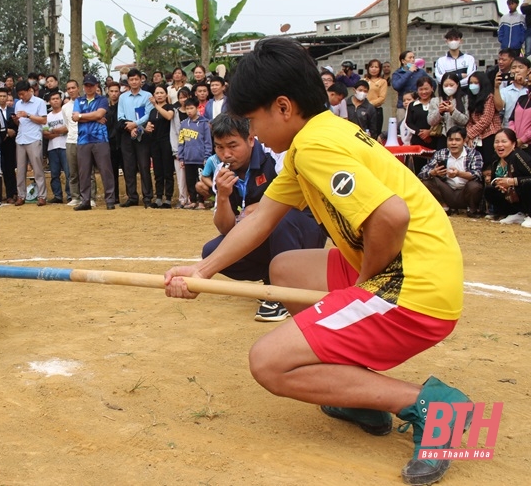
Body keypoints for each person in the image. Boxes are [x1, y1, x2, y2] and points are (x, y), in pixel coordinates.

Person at [164, 37, 472, 486]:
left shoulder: (314, 147)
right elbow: (261, 218)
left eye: (252, 121)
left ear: (283, 108)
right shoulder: (317, 137)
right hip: (421, 265)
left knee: (268, 362)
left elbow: (391, 215)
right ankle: (360, 398)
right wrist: (202, 271)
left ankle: (433, 406)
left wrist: (364, 286)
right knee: (286, 268)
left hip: (414, 287)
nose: (252, 133)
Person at [201, 113, 326, 321]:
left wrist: (262, 207)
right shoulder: (222, 171)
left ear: (251, 139)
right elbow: (226, 228)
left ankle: (285, 293)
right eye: (219, 147)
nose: (226, 154)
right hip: (266, 233)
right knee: (211, 251)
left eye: (233, 145)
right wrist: (222, 196)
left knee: (280, 218)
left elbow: (303, 194)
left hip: (305, 230)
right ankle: (272, 278)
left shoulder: (275, 155)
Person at [418, 127, 484, 217]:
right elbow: (421, 173)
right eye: (450, 140)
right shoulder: (441, 154)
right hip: (447, 191)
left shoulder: (473, 154)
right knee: (426, 181)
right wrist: (433, 172)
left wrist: (459, 174)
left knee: (475, 186)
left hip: (465, 192)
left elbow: (477, 175)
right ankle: (444, 207)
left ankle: (472, 209)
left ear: (464, 141)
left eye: (457, 140)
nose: (453, 143)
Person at [72, 74, 115, 210]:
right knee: (84, 172)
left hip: (100, 139)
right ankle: (85, 201)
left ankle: (110, 200)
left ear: (97, 86)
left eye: (91, 85)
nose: (89, 88)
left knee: (105, 170)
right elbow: (74, 117)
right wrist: (93, 117)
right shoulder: (79, 100)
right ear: (83, 86)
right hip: (83, 139)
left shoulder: (102, 99)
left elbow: (99, 114)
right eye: (86, 85)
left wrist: (82, 116)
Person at [117, 68, 155, 207]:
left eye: (136, 79)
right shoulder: (123, 97)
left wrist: (136, 125)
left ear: (141, 80)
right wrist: (130, 128)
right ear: (128, 81)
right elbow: (120, 116)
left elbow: (148, 114)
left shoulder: (147, 95)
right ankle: (132, 197)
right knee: (129, 167)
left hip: (143, 134)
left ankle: (147, 197)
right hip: (127, 135)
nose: (134, 82)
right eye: (131, 79)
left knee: (144, 166)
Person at [484, 128, 531, 227]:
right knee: (490, 190)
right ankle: (518, 214)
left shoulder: (518, 156)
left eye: (504, 141)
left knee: (527, 184)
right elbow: (494, 180)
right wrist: (499, 184)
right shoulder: (495, 160)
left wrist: (512, 181)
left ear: (513, 144)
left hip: (525, 191)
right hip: (514, 196)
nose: (500, 145)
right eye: (497, 142)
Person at [12, 80, 48, 206]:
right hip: (21, 137)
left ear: (29, 91)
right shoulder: (18, 104)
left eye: (23, 94)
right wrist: (16, 119)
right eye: (19, 95)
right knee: (20, 170)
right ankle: (21, 196)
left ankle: (42, 196)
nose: (21, 97)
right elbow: (19, 122)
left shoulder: (39, 102)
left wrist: (27, 115)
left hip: (34, 138)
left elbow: (43, 120)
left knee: (37, 168)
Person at [465, 71, 502, 178]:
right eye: (471, 83)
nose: (473, 86)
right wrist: (469, 134)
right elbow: (469, 120)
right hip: (476, 138)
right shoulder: (470, 98)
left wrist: (469, 135)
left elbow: (485, 120)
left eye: (476, 83)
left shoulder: (489, 97)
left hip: (489, 135)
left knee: (489, 166)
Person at [177, 98, 212, 209]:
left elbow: (208, 142)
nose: (189, 111)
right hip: (188, 158)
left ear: (197, 108)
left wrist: (206, 156)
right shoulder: (183, 124)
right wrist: (181, 157)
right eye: (187, 109)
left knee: (200, 180)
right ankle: (193, 201)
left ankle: (201, 202)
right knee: (190, 181)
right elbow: (181, 142)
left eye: (191, 108)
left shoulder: (204, 124)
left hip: (201, 159)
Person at [144, 85, 175, 208]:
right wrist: (147, 128)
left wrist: (155, 105)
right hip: (154, 142)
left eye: (162, 93)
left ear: (166, 95)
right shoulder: (152, 111)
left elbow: (168, 116)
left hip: (166, 141)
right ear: (154, 95)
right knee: (157, 171)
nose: (159, 95)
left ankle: (168, 198)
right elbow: (150, 124)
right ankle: (158, 197)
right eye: (157, 93)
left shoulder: (170, 107)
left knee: (168, 170)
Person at [428, 72, 469, 150]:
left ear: (457, 84)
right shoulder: (435, 100)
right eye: (446, 85)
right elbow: (430, 121)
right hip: (442, 136)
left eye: (451, 85)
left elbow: (465, 120)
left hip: (459, 137)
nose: (448, 88)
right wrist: (439, 112)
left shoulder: (464, 99)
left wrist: (452, 111)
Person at [42, 91, 70, 204]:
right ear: (49, 101)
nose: (55, 100)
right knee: (54, 174)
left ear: (61, 100)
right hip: (52, 148)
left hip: (65, 146)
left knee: (69, 173)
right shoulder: (47, 116)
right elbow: (45, 133)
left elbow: (67, 128)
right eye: (53, 99)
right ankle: (57, 195)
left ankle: (70, 195)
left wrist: (53, 131)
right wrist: (59, 132)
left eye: (57, 98)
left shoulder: (65, 113)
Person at [405, 76, 437, 172]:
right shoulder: (412, 105)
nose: (423, 92)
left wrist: (430, 132)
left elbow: (441, 121)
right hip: (417, 141)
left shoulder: (437, 103)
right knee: (418, 169)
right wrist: (420, 133)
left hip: (434, 140)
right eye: (421, 89)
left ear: (432, 88)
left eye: (426, 89)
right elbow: (408, 122)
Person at [392, 50, 431, 122]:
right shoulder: (397, 73)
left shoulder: (421, 72)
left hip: (419, 104)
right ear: (403, 61)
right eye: (410, 58)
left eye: (413, 57)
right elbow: (396, 86)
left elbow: (432, 84)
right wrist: (409, 72)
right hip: (403, 106)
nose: (412, 60)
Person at [496, 56, 530, 127]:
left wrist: (524, 83)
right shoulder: (505, 91)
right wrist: (496, 87)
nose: (516, 70)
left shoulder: (529, 89)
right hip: (510, 130)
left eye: (520, 67)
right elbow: (499, 107)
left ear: (528, 71)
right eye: (513, 68)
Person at [364, 59, 387, 136]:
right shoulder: (363, 80)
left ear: (380, 69)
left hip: (376, 110)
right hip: (362, 110)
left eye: (376, 67)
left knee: (375, 133)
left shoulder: (382, 81)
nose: (374, 69)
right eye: (371, 67)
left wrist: (369, 104)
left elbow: (382, 98)